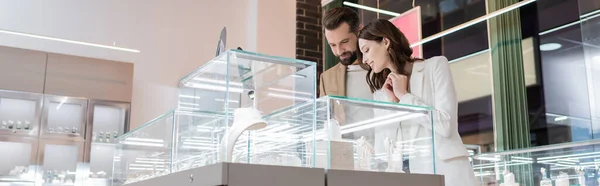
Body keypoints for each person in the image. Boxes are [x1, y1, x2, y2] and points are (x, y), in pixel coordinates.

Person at [358, 19, 478, 186]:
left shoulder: (435, 67)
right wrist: (394, 104)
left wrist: (405, 96)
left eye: (366, 50)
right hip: (411, 177)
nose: (364, 59)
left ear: (385, 41)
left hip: (448, 174)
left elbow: (446, 125)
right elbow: (384, 151)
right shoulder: (382, 93)